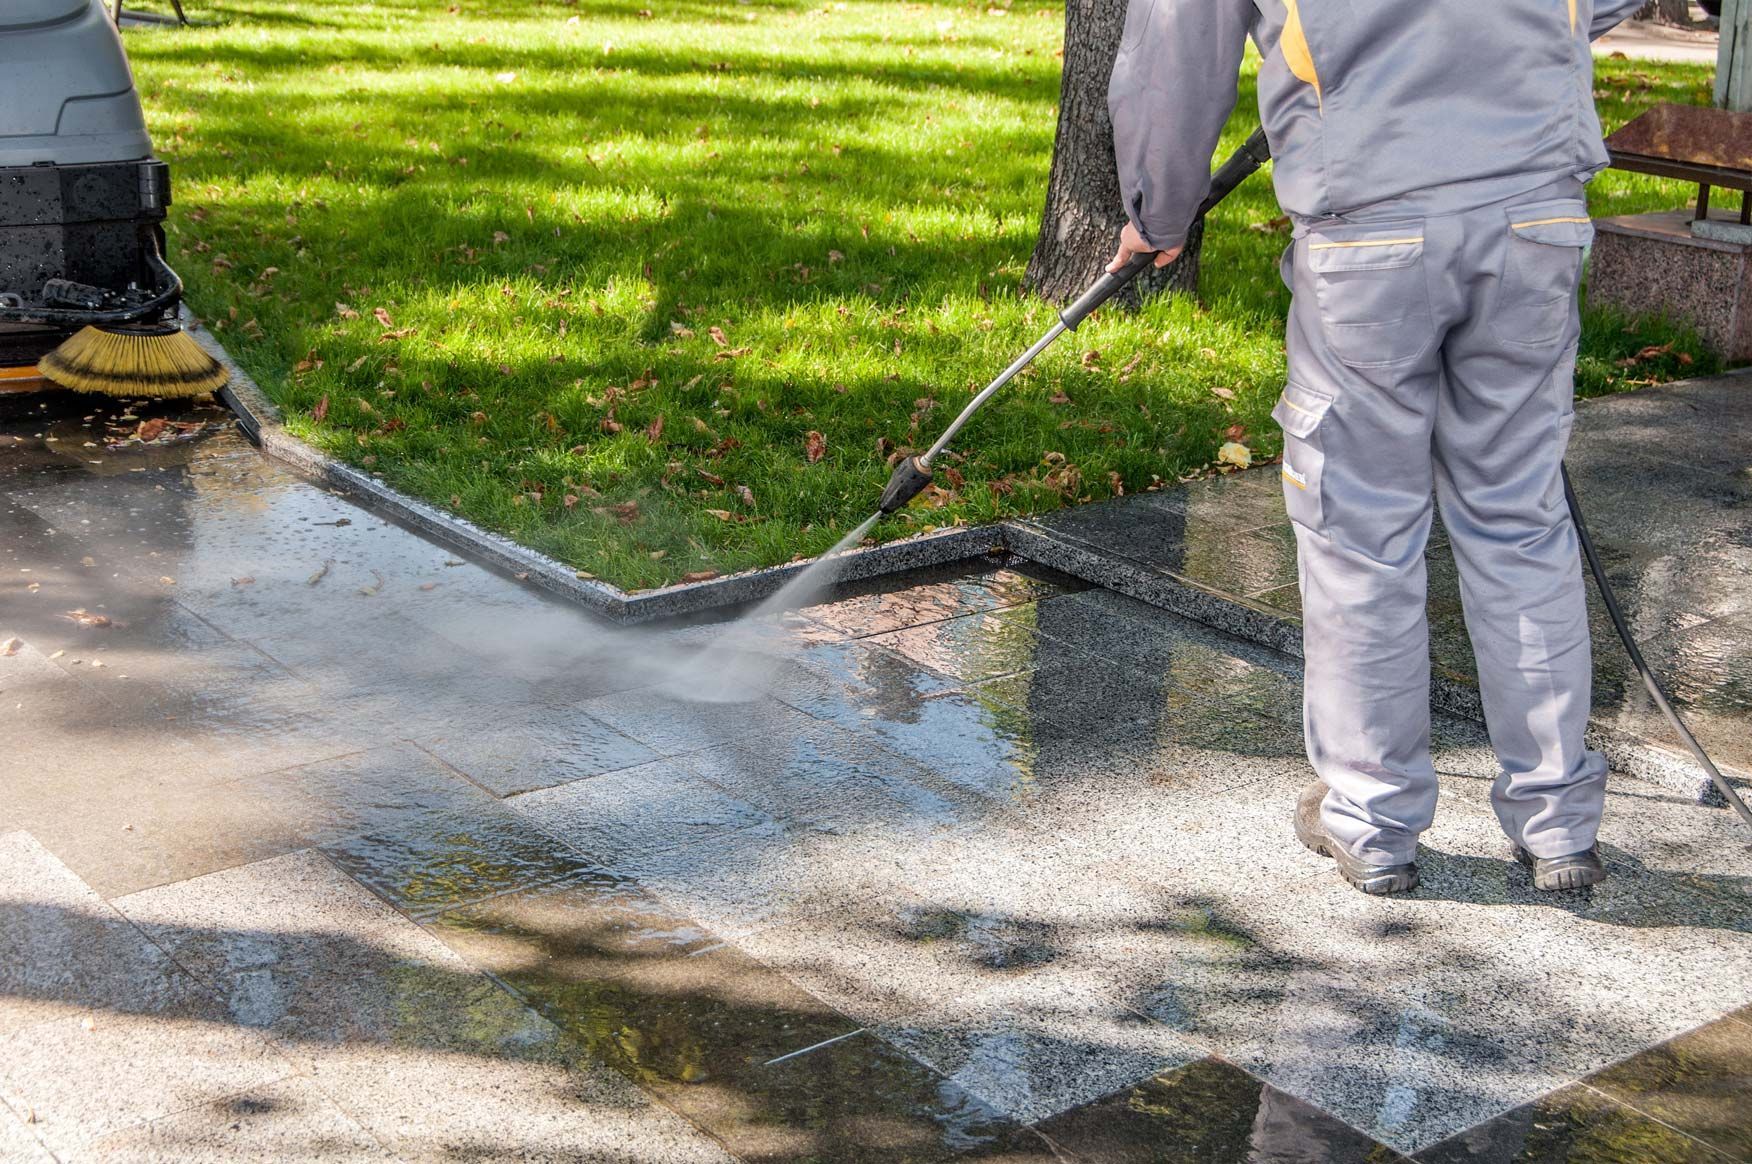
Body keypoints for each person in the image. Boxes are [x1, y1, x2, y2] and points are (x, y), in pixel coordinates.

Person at [1106, 0, 1651, 894]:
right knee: (1519, 517)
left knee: (1360, 530)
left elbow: (1177, 43)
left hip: (1373, 223)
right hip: (1535, 214)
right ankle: (1558, 824)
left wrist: (1156, 211)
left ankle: (1372, 817)